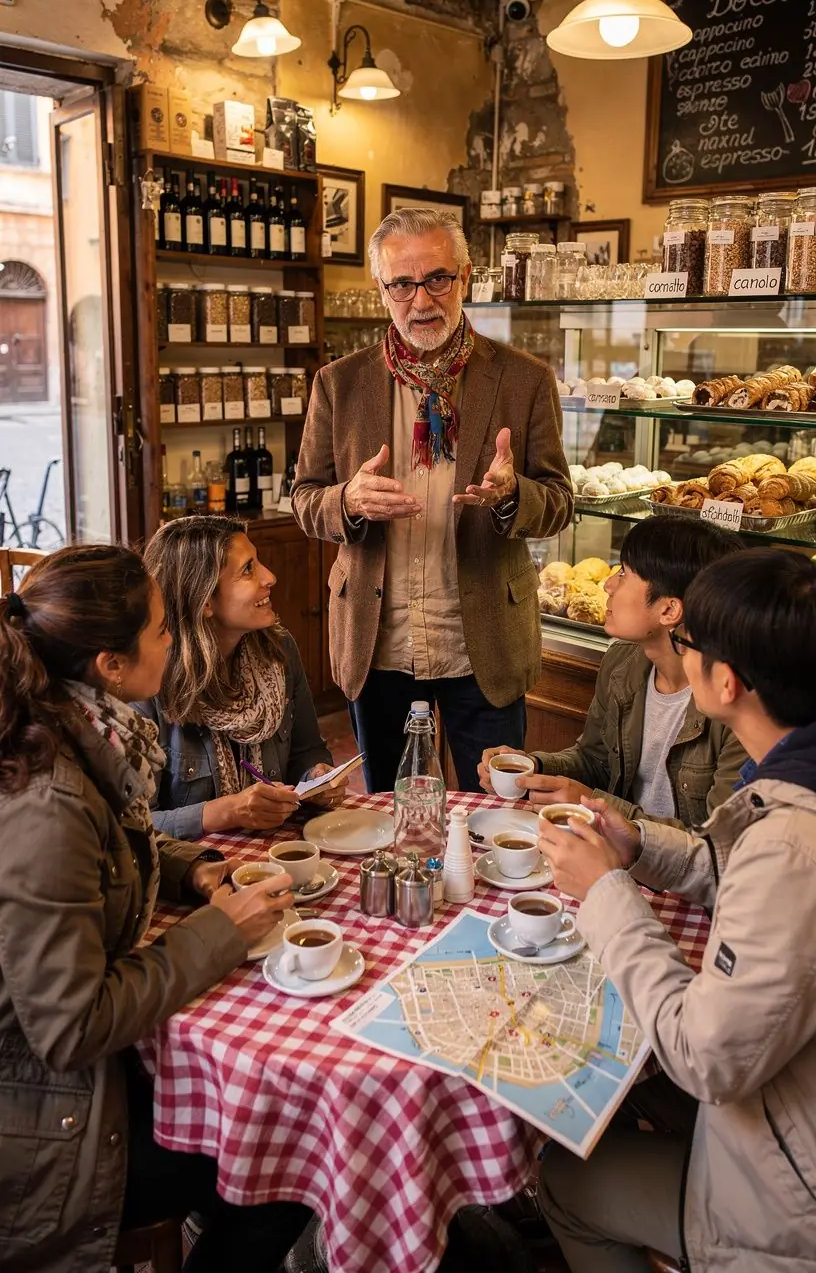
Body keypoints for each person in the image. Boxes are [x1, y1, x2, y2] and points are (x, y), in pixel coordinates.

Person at [0, 545, 311, 1273]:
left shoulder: (71, 729)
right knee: (287, 1151)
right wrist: (218, 934)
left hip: (72, 1087)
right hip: (44, 1127)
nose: (175, 641)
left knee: (258, 1113)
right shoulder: (50, 803)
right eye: (164, 629)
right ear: (111, 664)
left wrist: (200, 873)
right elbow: (70, 1029)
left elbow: (118, 845)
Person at [536, 547, 816, 1271]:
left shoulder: (793, 848)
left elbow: (703, 1057)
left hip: (780, 1207)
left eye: (690, 644)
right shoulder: (789, 786)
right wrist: (637, 848)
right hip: (784, 1115)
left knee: (562, 1174)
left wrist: (604, 891)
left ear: (724, 681)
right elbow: (728, 865)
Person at [293, 206, 573, 793]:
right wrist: (348, 499)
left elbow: (558, 502)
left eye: (437, 278)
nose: (421, 300)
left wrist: (511, 495)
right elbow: (304, 500)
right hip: (379, 643)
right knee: (391, 814)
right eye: (402, 283)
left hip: (483, 645)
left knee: (494, 813)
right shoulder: (338, 384)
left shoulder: (524, 380)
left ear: (465, 277)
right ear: (381, 289)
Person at [479, 516, 746, 826]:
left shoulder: (735, 705)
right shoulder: (623, 663)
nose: (608, 584)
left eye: (624, 573)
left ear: (669, 610)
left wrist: (597, 806)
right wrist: (534, 767)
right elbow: (596, 761)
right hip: (615, 855)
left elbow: (716, 850)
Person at [139, 515, 346, 840]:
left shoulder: (279, 650)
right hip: (193, 872)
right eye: (248, 569)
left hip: (275, 853)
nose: (270, 577)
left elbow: (307, 750)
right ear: (204, 600)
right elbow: (134, 827)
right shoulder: (149, 681)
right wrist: (227, 812)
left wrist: (317, 777)